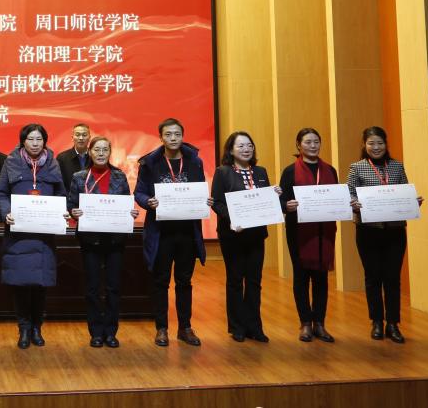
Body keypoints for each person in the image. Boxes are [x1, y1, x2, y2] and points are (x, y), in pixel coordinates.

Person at [134, 118, 212, 347]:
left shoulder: (194, 161)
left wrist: (204, 200)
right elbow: (139, 192)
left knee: (184, 281)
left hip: (187, 232)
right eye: (168, 134)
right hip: (161, 232)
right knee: (160, 281)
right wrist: (148, 201)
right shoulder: (150, 163)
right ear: (161, 137)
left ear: (183, 136)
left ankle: (185, 328)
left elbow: (200, 189)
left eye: (177, 134)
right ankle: (161, 328)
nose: (173, 138)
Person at [347, 125, 424, 344]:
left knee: (392, 278)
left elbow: (404, 191)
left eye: (380, 143)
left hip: (395, 231)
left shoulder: (397, 166)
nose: (376, 147)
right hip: (368, 231)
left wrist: (413, 202)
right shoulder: (357, 167)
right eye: (371, 143)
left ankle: (393, 323)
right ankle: (376, 322)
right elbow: (349, 193)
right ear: (364, 145)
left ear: (386, 144)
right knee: (373, 277)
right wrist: (353, 203)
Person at [0, 123, 67, 349]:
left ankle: (37, 327)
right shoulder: (11, 161)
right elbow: (1, 192)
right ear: (23, 141)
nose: (35, 144)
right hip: (18, 234)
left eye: (39, 139)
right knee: (20, 284)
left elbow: (60, 193)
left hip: (43, 235)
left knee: (40, 284)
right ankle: (24, 328)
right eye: (30, 139)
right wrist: (6, 212)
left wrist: (60, 211)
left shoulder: (53, 163)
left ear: (45, 141)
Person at [67, 136, 139, 348]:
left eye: (105, 150)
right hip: (90, 239)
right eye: (96, 149)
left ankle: (111, 331)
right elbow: (71, 204)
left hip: (115, 239)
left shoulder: (119, 176)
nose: (100, 153)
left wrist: (131, 212)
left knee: (113, 287)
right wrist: (74, 211)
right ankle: (96, 332)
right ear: (90, 152)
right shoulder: (80, 177)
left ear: (110, 152)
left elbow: (126, 204)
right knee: (92, 288)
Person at [211, 130, 281, 343]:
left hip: (256, 235)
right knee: (235, 280)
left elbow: (265, 201)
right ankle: (237, 327)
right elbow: (217, 203)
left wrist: (275, 195)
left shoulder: (260, 171)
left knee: (254, 281)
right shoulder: (222, 172)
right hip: (232, 235)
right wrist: (232, 219)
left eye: (249, 145)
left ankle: (254, 327)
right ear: (231, 150)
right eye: (240, 146)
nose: (246, 149)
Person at [279, 128, 339, 343]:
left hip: (325, 231)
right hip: (299, 232)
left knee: (321, 277)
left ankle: (319, 323)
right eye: (307, 142)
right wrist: (287, 205)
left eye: (316, 141)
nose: (313, 146)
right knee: (301, 276)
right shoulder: (290, 171)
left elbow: (336, 198)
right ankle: (305, 322)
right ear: (298, 145)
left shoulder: (330, 170)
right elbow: (282, 201)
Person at [56, 123, 92, 193]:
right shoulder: (62, 158)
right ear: (72, 137)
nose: (81, 138)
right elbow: (59, 183)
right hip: (70, 198)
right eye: (77, 135)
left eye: (84, 135)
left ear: (89, 138)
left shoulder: (94, 157)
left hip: (91, 197)